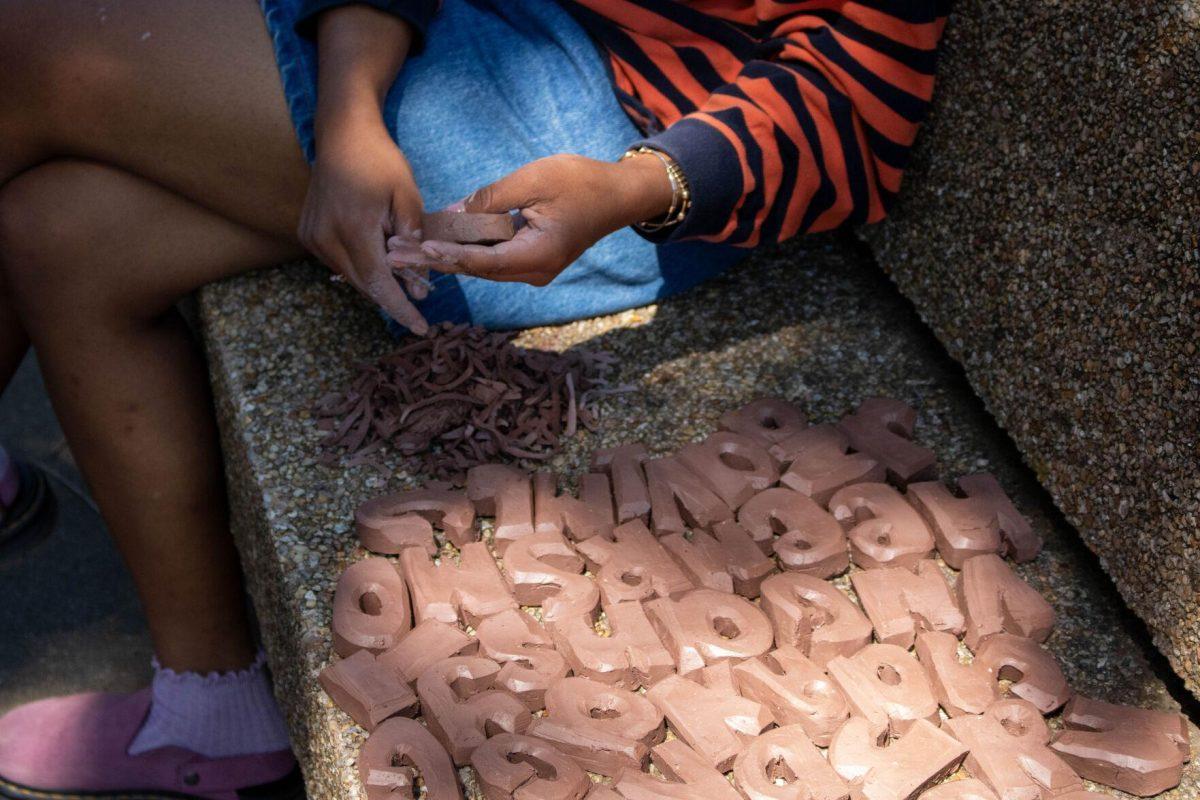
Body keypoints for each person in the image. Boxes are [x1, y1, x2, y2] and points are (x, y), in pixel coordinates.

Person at [0, 0, 945, 797]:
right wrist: (350, 118)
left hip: (624, 139)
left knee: (30, 43)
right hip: (475, 26)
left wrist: (630, 188)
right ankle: (216, 710)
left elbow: (857, 93)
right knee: (57, 236)